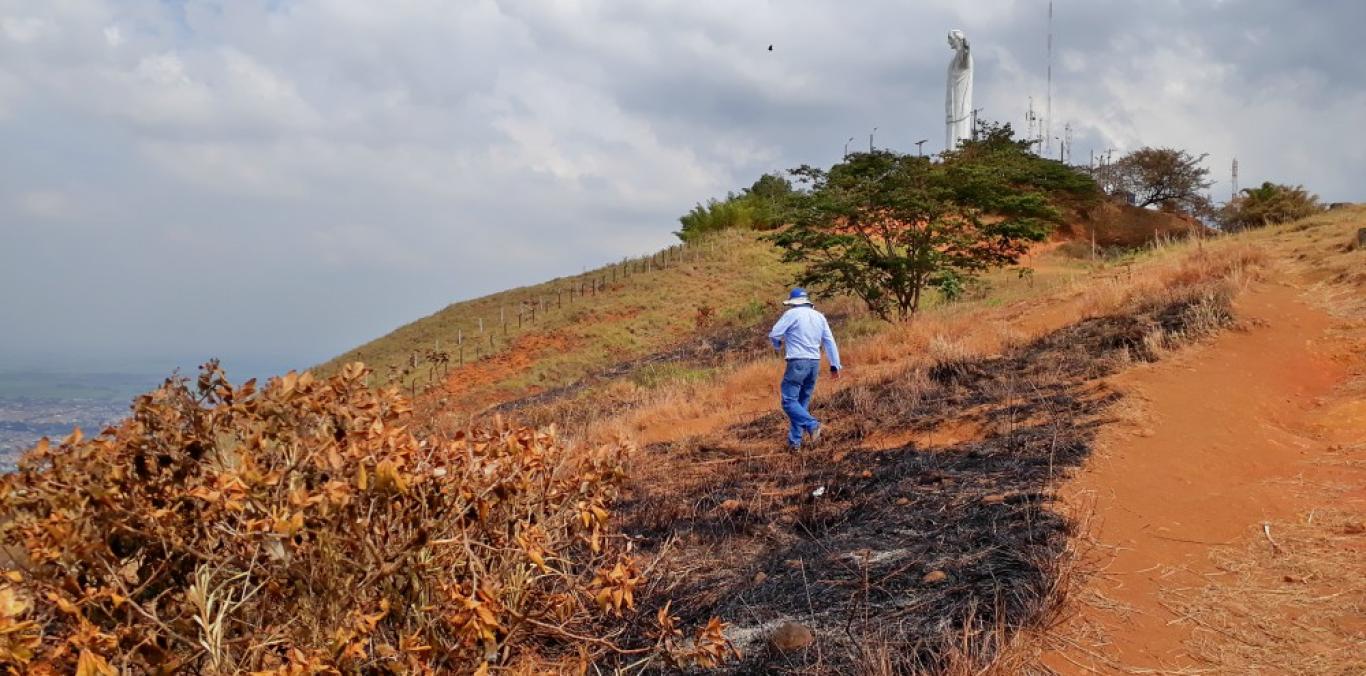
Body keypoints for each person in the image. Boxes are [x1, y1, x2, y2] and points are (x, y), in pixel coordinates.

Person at [768, 288, 842, 451]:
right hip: (814, 364)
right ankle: (795, 443)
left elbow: (774, 333)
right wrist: (834, 365)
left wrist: (777, 344)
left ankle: (812, 424)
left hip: (797, 362)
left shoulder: (792, 314)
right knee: (801, 404)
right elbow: (829, 341)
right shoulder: (819, 317)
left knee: (788, 402)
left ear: (793, 303)